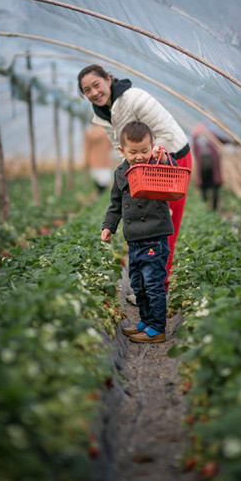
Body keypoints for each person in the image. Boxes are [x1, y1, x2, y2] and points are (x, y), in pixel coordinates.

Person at [78, 64, 192, 291]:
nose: (94, 93)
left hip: (171, 161)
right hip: (143, 167)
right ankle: (147, 286)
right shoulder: (101, 115)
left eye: (96, 85)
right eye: (87, 90)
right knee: (145, 222)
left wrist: (152, 160)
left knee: (165, 223)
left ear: (108, 80)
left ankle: (160, 286)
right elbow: (119, 145)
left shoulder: (135, 98)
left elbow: (166, 133)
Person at [101, 121, 178, 343]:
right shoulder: (120, 173)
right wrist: (108, 226)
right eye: (133, 152)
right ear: (122, 151)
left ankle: (157, 328)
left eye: (144, 151)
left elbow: (173, 171)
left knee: (153, 283)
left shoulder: (157, 165)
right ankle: (146, 321)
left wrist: (162, 157)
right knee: (138, 284)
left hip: (155, 236)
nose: (139, 157)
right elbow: (115, 205)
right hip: (133, 240)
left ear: (152, 146)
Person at [192, 123, 224, 211]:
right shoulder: (197, 139)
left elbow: (222, 140)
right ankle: (207, 207)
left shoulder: (210, 136)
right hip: (205, 167)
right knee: (207, 187)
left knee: (211, 187)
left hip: (210, 167)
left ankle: (211, 208)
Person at [84, 124, 113, 194]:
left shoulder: (89, 133)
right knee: (106, 185)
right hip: (104, 161)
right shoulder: (105, 132)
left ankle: (97, 198)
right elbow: (110, 145)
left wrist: (86, 162)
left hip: (93, 162)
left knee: (98, 186)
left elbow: (86, 149)